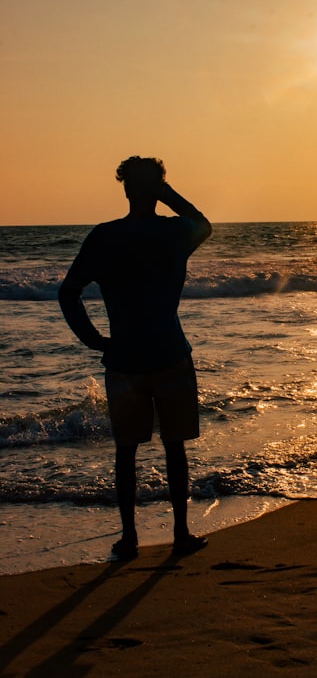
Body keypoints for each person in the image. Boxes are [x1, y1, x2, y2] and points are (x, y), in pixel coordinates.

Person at [58, 156, 212, 560]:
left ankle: (129, 539)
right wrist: (166, 193)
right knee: (173, 448)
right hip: (169, 352)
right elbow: (203, 222)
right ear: (157, 188)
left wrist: (94, 339)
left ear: (126, 188)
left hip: (124, 356)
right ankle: (179, 534)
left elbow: (68, 292)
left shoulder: (106, 237)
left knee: (126, 451)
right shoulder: (174, 232)